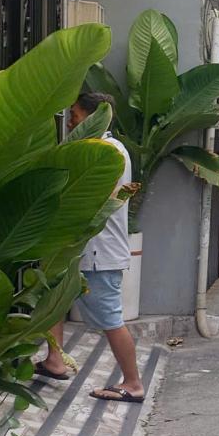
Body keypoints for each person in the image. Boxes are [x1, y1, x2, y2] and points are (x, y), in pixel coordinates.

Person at [35, 92, 145, 403]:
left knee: (110, 319)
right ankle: (55, 360)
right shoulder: (100, 147)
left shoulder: (106, 151)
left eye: (75, 115)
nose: (70, 122)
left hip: (98, 254)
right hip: (81, 250)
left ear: (96, 117)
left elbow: (92, 197)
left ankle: (133, 383)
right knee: (53, 299)